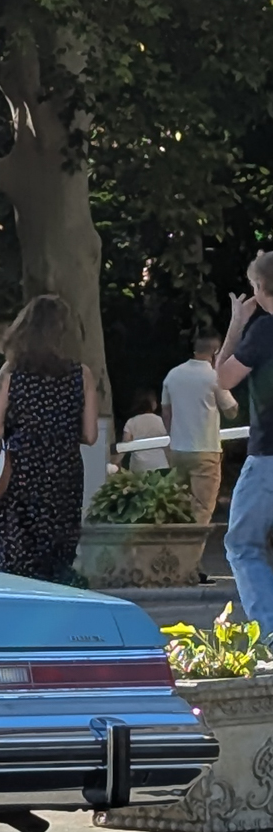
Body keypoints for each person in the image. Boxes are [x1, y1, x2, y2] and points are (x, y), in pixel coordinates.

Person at [0, 294, 99, 583]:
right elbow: (90, 435)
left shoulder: (11, 371)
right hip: (64, 471)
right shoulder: (81, 374)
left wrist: (24, 430)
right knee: (58, 549)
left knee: (17, 549)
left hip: (21, 469)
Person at [216, 251, 273, 629]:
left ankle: (269, 631)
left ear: (260, 286)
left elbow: (223, 378)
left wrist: (237, 324)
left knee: (242, 544)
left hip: (268, 455)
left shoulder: (265, 330)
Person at [163, 334, 239, 525]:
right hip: (205, 450)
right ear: (215, 352)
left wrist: (172, 439)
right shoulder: (213, 376)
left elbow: (166, 413)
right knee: (202, 508)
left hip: (178, 450)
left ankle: (175, 542)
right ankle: (194, 544)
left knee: (178, 505)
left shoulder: (173, 375)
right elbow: (231, 411)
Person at [120, 390, 170, 473]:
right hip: (160, 464)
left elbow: (125, 444)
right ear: (152, 403)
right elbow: (167, 443)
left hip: (139, 466)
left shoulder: (131, 422)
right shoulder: (159, 420)